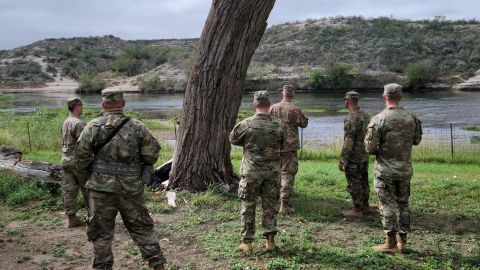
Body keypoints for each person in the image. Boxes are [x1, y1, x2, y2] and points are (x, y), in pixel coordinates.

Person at [75, 89, 166, 270]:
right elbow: (151, 156)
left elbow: (81, 158)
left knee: (101, 234)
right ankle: (157, 265)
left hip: (100, 190)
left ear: (103, 105)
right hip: (131, 189)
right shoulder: (138, 127)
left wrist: (93, 174)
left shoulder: (92, 126)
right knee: (142, 229)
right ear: (123, 104)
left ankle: (102, 267)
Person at [365, 83, 422, 254]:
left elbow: (369, 148)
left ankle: (390, 243)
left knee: (387, 205)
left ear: (384, 97)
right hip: (405, 170)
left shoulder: (378, 119)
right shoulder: (411, 118)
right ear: (401, 97)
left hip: (385, 171)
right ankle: (402, 242)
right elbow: (417, 140)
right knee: (403, 204)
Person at [230, 90, 286, 252]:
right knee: (270, 206)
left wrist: (250, 144)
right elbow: (283, 143)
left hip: (251, 172)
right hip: (272, 172)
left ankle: (247, 243)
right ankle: (270, 242)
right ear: (269, 105)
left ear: (254, 104)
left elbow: (233, 139)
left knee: (248, 204)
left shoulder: (246, 124)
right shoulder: (279, 124)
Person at [269, 85, 308, 214]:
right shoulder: (295, 109)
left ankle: (273, 202)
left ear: (282, 94)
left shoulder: (273, 108)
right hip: (290, 147)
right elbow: (304, 123)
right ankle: (284, 205)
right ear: (292, 95)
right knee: (288, 174)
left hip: (275, 145)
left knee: (275, 173)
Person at [339, 91, 371, 217]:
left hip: (354, 156)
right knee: (363, 179)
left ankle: (357, 209)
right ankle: (366, 205)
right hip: (364, 154)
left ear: (348, 101)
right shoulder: (365, 115)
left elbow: (349, 140)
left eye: (345, 100)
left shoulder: (351, 118)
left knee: (354, 181)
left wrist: (343, 159)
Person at [61, 97, 88, 228]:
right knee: (88, 189)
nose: (82, 109)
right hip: (77, 162)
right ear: (77, 107)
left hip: (65, 159)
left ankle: (71, 219)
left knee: (69, 190)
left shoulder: (66, 122)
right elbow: (83, 145)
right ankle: (92, 217)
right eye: (81, 106)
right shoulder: (79, 123)